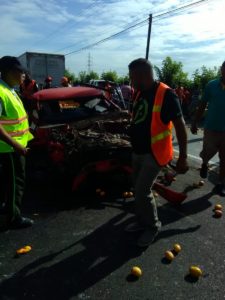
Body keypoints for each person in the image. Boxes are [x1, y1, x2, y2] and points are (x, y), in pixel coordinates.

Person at [126, 58, 189, 247]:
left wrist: (183, 157)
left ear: (142, 75)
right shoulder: (140, 93)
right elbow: (139, 119)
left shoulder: (166, 94)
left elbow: (180, 126)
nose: (131, 81)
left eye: (132, 77)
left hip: (154, 154)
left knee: (142, 190)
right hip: (138, 151)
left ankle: (152, 226)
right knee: (136, 188)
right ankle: (141, 221)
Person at [0, 56, 34, 228]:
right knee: (16, 183)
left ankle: (6, 208)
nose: (23, 76)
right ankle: (14, 218)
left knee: (7, 182)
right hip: (9, 149)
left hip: (12, 147)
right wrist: (17, 145)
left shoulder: (9, 89)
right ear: (9, 72)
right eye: (20, 72)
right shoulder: (1, 91)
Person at [191, 61, 225, 196]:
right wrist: (194, 122)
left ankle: (221, 183)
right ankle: (205, 163)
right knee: (207, 152)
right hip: (211, 127)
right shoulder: (211, 85)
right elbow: (202, 104)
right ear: (222, 69)